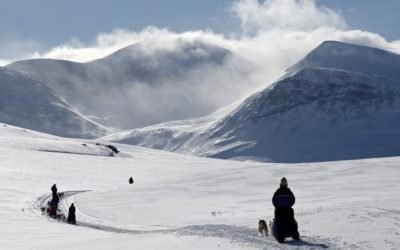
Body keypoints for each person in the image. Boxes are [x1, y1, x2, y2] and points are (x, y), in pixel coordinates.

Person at [272, 177, 300, 242]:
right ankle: (295, 235)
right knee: (291, 221)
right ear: (286, 184)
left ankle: (280, 237)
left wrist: (278, 206)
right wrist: (288, 205)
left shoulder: (277, 192)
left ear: (280, 184)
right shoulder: (289, 192)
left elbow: (273, 201)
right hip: (288, 210)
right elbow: (293, 200)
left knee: (279, 223)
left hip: (279, 210)